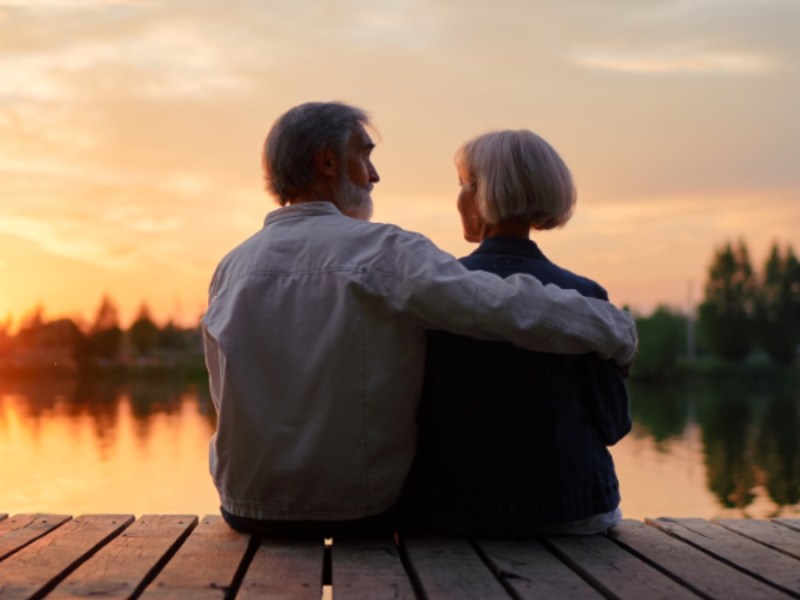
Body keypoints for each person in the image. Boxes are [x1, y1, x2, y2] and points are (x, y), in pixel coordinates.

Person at [201, 102, 637, 538]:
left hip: (244, 508)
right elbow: (500, 306)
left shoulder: (231, 267)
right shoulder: (383, 251)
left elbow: (224, 395)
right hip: (359, 510)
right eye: (365, 155)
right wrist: (613, 330)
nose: (374, 175)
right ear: (328, 161)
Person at [409, 129, 632, 537]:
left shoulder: (436, 292)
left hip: (454, 512)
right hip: (573, 511)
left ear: (479, 195)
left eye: (462, 184)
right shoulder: (584, 295)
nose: (458, 196)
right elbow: (614, 424)